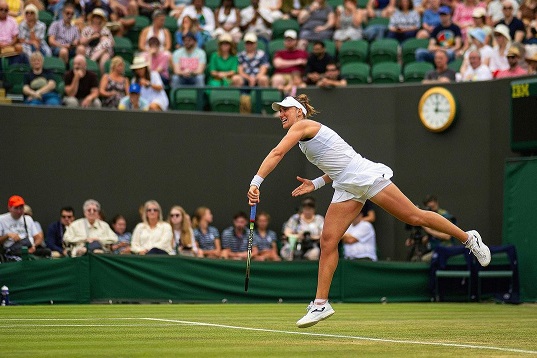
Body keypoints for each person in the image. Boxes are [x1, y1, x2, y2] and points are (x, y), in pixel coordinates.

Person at [246, 94, 491, 328]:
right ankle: (321, 304)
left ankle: (468, 238)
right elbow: (337, 163)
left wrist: (256, 182)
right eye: (279, 111)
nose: (280, 114)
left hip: (362, 175)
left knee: (414, 216)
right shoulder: (303, 137)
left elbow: (276, 153)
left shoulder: (302, 126)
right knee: (328, 241)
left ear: (298, 112)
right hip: (346, 184)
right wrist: (317, 183)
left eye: (284, 110)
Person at [0, 195, 47, 261]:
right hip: (12, 251)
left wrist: (34, 246)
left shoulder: (28, 219)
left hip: (29, 247)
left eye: (21, 208)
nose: (19, 211)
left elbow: (38, 237)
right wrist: (8, 235)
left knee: (46, 253)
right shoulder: (2, 219)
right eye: (16, 208)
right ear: (9, 208)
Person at [282, 196, 324, 261]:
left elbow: (323, 235)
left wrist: (311, 237)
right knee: (286, 251)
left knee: (314, 253)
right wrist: (298, 236)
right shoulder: (296, 218)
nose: (308, 211)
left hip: (312, 245)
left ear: (314, 209)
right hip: (297, 243)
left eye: (310, 209)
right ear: (302, 209)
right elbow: (287, 232)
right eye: (306, 209)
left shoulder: (319, 219)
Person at [80, 8, 115, 75]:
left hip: (101, 52)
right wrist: (92, 37)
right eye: (95, 17)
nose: (97, 19)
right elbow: (82, 42)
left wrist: (102, 37)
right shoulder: (87, 29)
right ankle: (92, 61)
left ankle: (100, 76)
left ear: (101, 19)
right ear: (92, 18)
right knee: (105, 48)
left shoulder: (105, 30)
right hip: (89, 51)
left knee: (106, 48)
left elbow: (112, 43)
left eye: (99, 18)